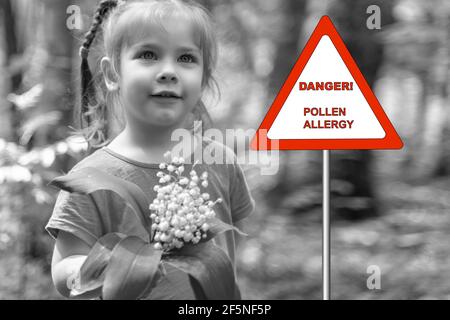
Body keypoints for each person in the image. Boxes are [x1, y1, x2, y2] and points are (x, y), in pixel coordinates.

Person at [46, 0, 255, 299]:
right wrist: (112, 266)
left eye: (186, 58)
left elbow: (230, 244)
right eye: (148, 55)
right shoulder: (90, 179)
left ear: (204, 77)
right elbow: (63, 270)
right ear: (112, 74)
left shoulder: (221, 161)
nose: (169, 71)